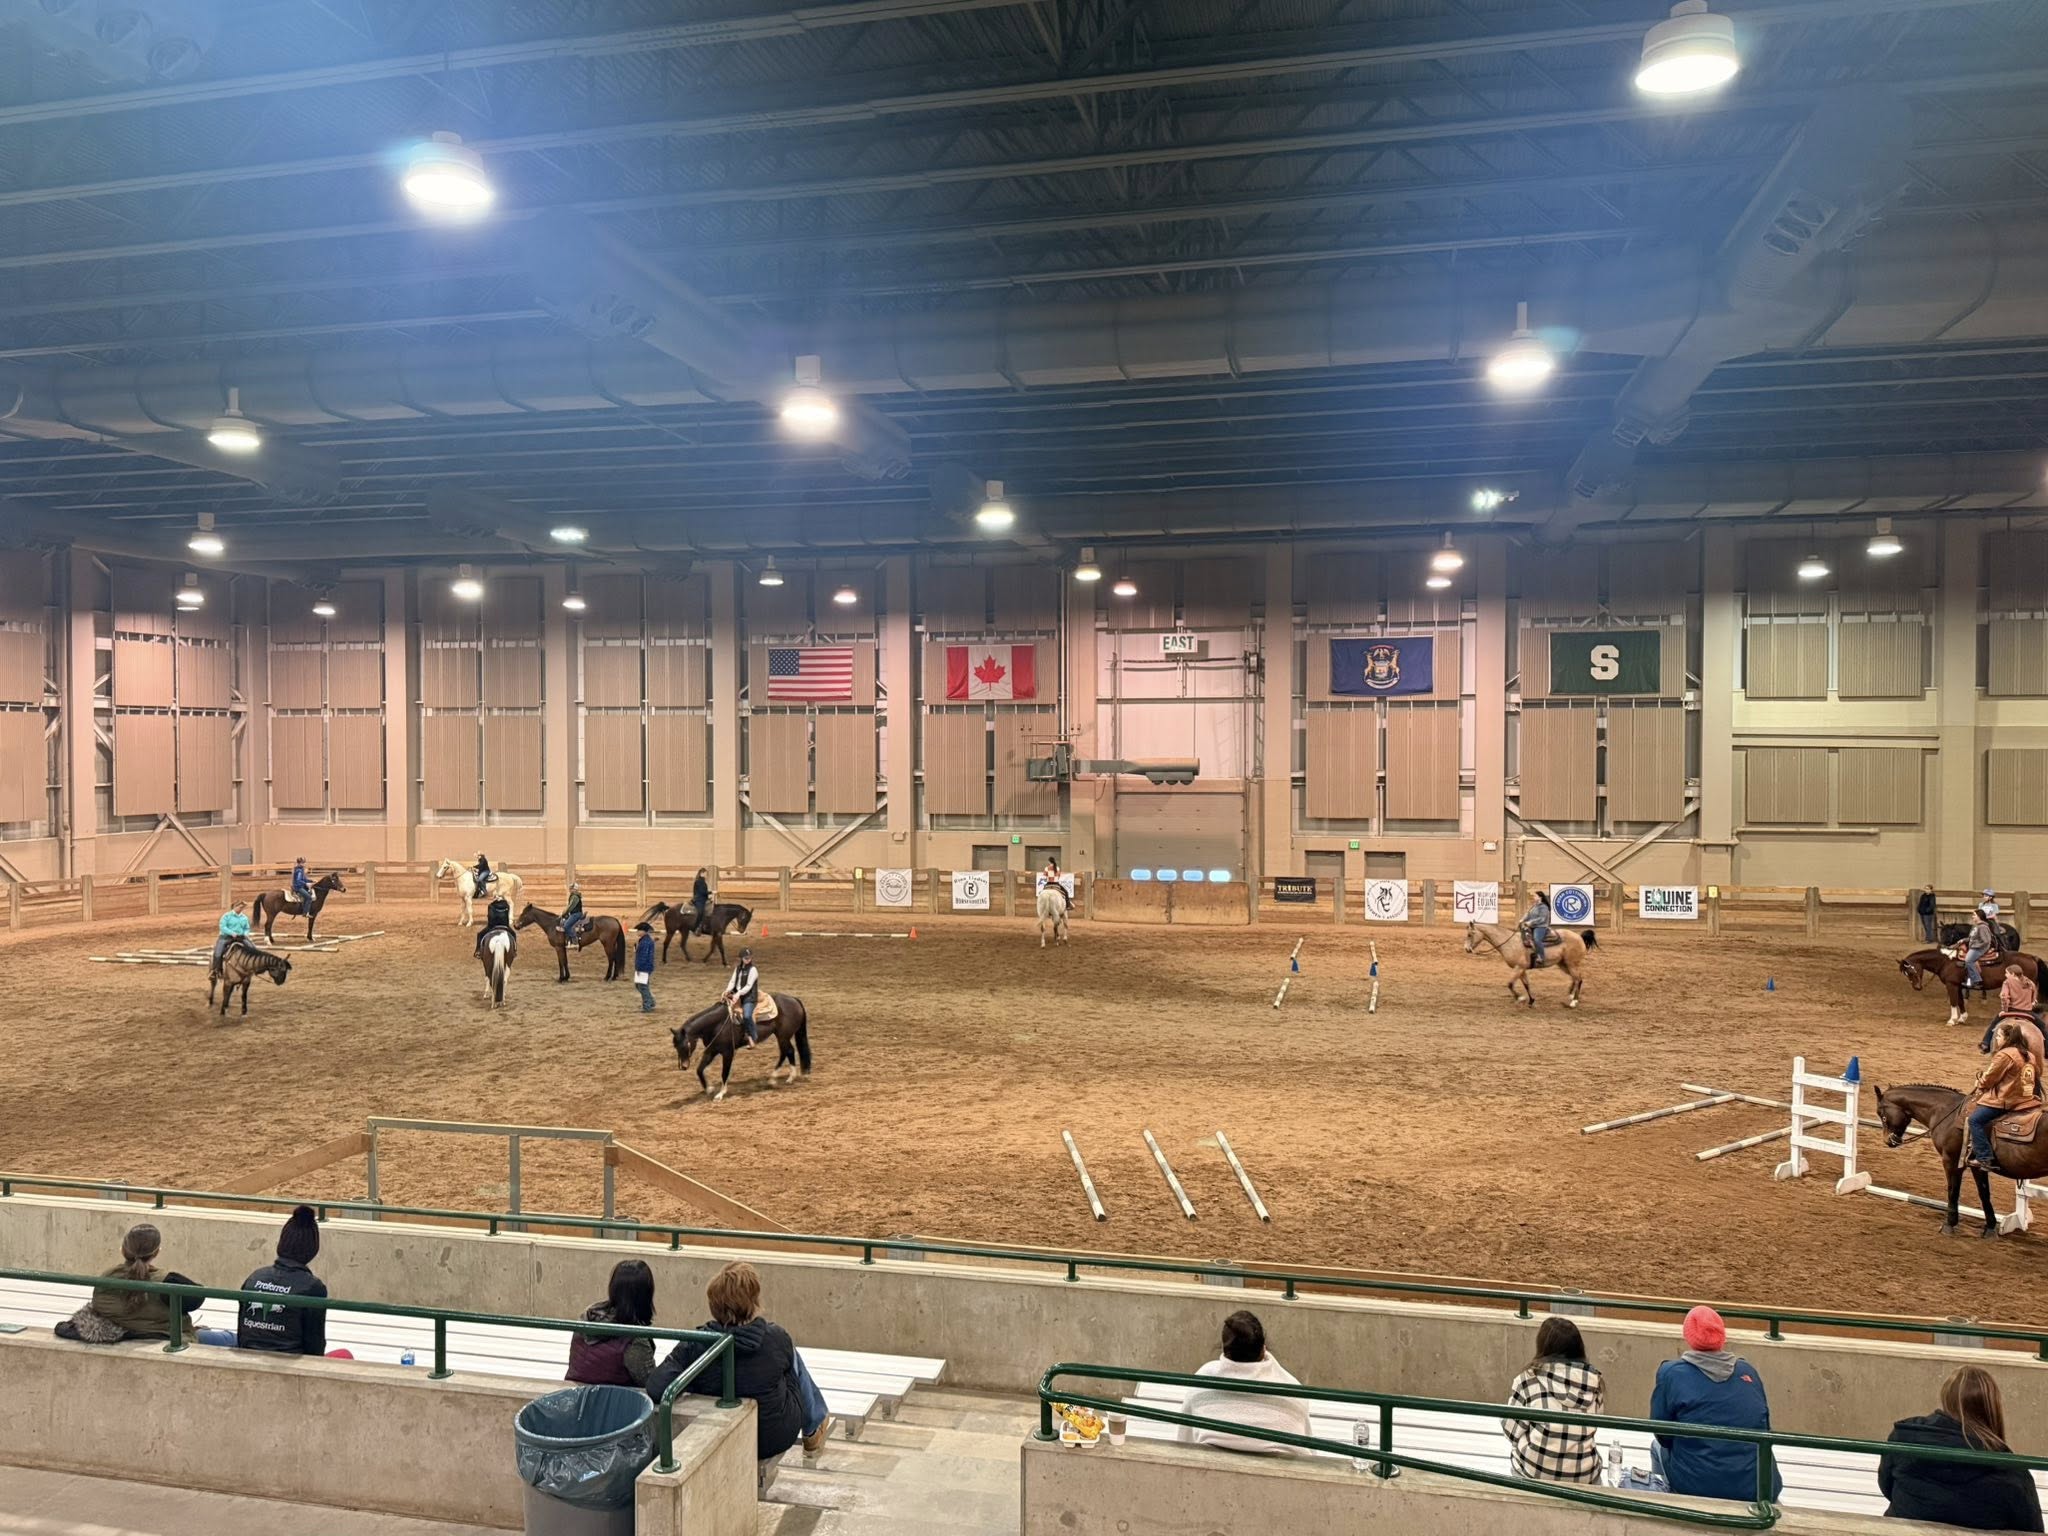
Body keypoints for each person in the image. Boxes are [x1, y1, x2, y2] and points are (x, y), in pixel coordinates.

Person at [645, 1261, 832, 1461]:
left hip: (721, 1436)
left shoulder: (695, 1344)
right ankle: (813, 1428)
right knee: (790, 1358)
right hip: (774, 1437)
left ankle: (815, 1423)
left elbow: (657, 1388)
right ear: (754, 1302)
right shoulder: (775, 1337)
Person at [1879, 1365, 2043, 1532]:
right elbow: (2032, 1530)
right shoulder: (2011, 1472)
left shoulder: (1904, 1437)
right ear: (1992, 1408)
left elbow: (1886, 1486)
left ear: (1946, 1399)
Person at [1648, 1306, 1781, 1502]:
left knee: (1656, 1447)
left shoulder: (1671, 1373)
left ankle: (1671, 1505)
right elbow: (1764, 1427)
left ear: (1688, 1335)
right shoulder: (1748, 1371)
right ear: (1722, 1336)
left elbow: (1662, 1435)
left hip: (1697, 1484)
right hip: (1759, 1485)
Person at [194, 1205, 337, 1357]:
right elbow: (315, 1346)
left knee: (213, 1336)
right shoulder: (313, 1287)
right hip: (289, 1363)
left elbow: (244, 1333)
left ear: (281, 1243)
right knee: (345, 1354)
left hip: (249, 1355)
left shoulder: (255, 1277)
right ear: (312, 1249)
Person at [1176, 1310, 1312, 1457]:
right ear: (1263, 1348)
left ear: (1223, 1349)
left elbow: (1184, 1441)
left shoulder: (1203, 1379)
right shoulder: (1292, 1390)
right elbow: (1307, 1451)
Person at [54, 1223, 204, 1344]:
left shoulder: (105, 1280)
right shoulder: (168, 1282)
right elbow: (198, 1297)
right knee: (226, 1337)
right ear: (156, 1252)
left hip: (125, 1336)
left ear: (123, 1250)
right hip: (168, 1339)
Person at [1503, 1317, 1605, 1483]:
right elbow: (1596, 1422)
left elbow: (1511, 1432)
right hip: (1585, 1475)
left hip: (1534, 1472)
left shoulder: (1528, 1380)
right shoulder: (1595, 1382)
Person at [567, 1259, 657, 1389]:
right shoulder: (636, 1340)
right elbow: (651, 1384)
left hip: (574, 1395)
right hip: (611, 1403)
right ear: (646, 1294)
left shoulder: (589, 1315)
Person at [1967, 1020, 2042, 1174]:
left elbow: (1989, 1079)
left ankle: (1984, 1158)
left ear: (2007, 1039)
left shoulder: (2005, 1055)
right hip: (2027, 1099)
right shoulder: (2030, 1055)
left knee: (1975, 1120)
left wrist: (1980, 1083)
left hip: (2007, 1100)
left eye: (1999, 1036)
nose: (1996, 1039)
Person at [724, 946, 762, 1044]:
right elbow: (732, 981)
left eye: (749, 957)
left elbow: (749, 986)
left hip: (749, 997)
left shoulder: (753, 970)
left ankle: (754, 1035)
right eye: (746, 958)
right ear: (741, 958)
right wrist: (727, 990)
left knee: (747, 1016)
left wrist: (738, 994)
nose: (748, 959)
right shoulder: (737, 969)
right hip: (737, 994)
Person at [1965, 909, 2000, 992]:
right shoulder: (1976, 926)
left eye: (1974, 915)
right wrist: (1963, 940)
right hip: (1975, 946)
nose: (1972, 916)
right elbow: (1972, 938)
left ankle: (1976, 980)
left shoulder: (1983, 927)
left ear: (1979, 916)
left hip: (1980, 948)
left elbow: (1986, 941)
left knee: (1968, 960)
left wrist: (1974, 946)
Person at [212, 899, 251, 974]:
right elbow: (223, 927)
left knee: (253, 949)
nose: (241, 909)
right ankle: (215, 970)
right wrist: (232, 933)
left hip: (240, 937)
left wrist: (246, 934)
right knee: (218, 952)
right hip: (226, 937)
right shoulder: (226, 916)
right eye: (240, 907)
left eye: (242, 907)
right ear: (234, 907)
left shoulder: (244, 917)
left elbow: (247, 928)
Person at [476, 888, 514, 960]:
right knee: (514, 934)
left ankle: (478, 950)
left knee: (480, 935)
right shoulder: (507, 906)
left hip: (493, 926)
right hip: (505, 926)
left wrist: (490, 924)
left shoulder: (491, 906)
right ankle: (514, 950)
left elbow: (490, 917)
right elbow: (507, 916)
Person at [1521, 889, 1553, 968]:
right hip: (1532, 926)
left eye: (1535, 896)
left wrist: (1530, 922)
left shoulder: (1544, 907)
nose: (1533, 897)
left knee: (1537, 939)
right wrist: (1522, 919)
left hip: (1540, 926)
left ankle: (1541, 957)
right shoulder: (1534, 906)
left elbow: (1542, 918)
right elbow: (1528, 914)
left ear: (1540, 897)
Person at [633, 922, 657, 1013]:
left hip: (643, 967)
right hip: (644, 966)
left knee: (642, 986)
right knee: (639, 985)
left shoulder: (645, 942)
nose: (637, 932)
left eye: (639, 930)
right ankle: (650, 1001)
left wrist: (639, 968)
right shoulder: (644, 940)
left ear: (644, 931)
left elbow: (643, 956)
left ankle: (647, 1005)